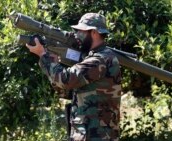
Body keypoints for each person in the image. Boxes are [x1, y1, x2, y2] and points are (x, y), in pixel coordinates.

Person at [26, 13, 122, 141]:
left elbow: (65, 80)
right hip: (90, 133)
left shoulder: (100, 60)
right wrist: (52, 62)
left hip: (97, 135)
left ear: (94, 32)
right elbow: (65, 91)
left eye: (81, 31)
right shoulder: (94, 57)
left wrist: (43, 56)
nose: (77, 35)